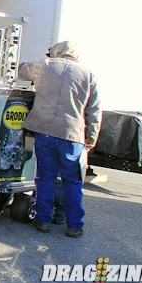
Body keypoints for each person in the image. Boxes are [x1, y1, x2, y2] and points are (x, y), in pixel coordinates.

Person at [18, 41, 101, 238]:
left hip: (44, 132)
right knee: (72, 182)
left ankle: (43, 221)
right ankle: (74, 226)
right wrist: (91, 137)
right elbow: (94, 110)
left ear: (56, 52)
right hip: (72, 136)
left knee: (45, 178)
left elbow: (20, 71)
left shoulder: (45, 65)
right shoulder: (88, 74)